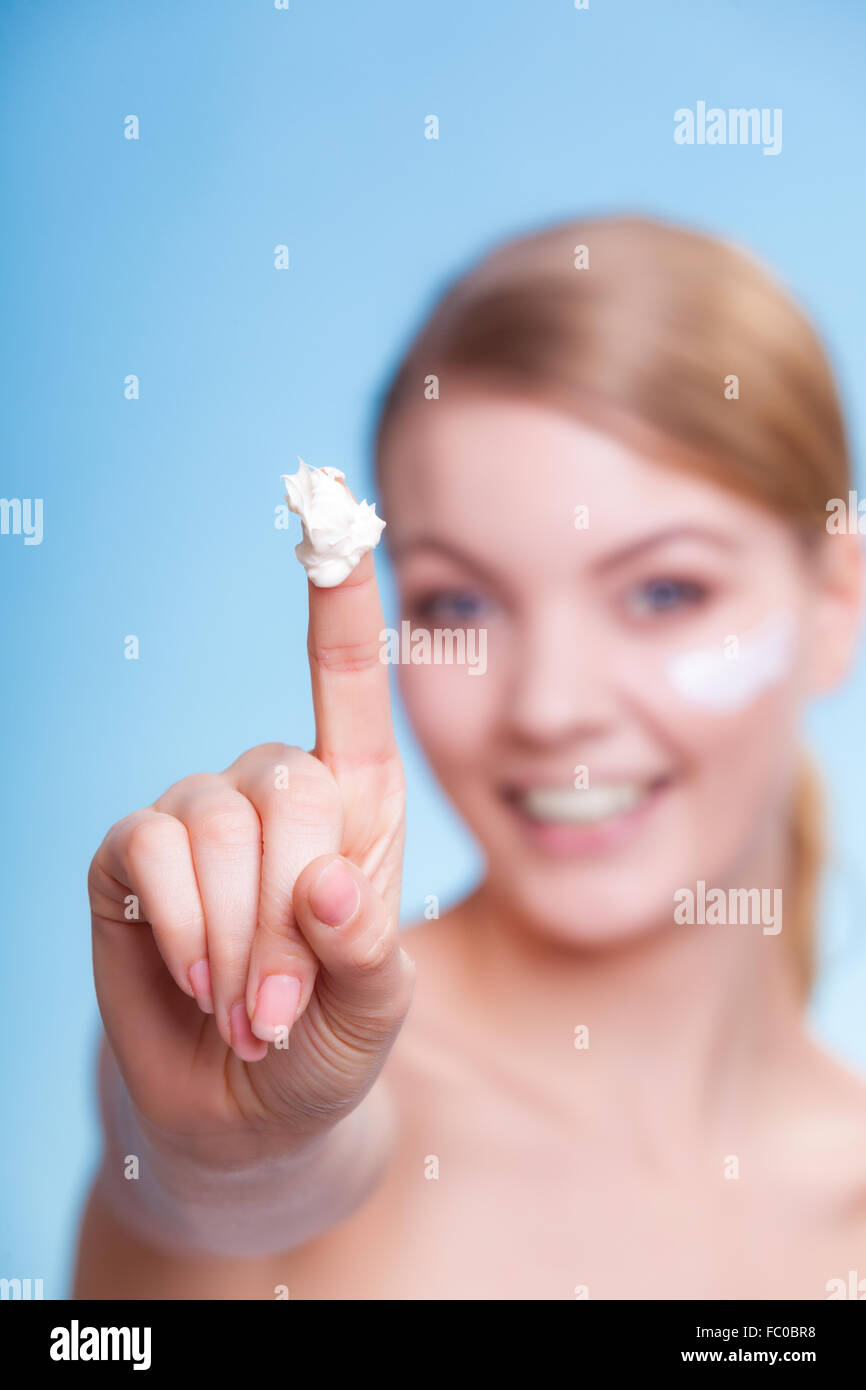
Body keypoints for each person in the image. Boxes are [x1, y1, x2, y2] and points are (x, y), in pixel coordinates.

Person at [74, 215, 866, 1299]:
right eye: (461, 602)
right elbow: (228, 1185)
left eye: (663, 591)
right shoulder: (316, 1086)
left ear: (833, 602)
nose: (549, 707)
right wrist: (229, 1155)